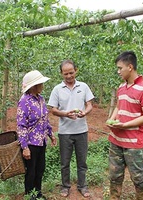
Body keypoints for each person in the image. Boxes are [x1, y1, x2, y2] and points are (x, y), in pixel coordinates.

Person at [106, 51, 143, 200]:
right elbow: (118, 107)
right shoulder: (121, 87)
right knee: (114, 176)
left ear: (130, 67)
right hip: (116, 140)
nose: (118, 71)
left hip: (134, 143)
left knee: (138, 178)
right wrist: (111, 119)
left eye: (120, 68)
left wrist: (125, 125)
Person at [47, 60, 94, 198]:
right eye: (65, 73)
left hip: (81, 130)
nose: (69, 76)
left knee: (82, 161)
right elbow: (53, 110)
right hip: (65, 132)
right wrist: (65, 114)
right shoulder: (57, 89)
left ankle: (82, 186)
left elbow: (89, 104)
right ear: (61, 73)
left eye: (71, 73)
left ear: (76, 71)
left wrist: (85, 112)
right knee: (64, 162)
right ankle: (65, 186)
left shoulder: (83, 86)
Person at [17, 70, 57, 200]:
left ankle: (38, 193)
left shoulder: (41, 99)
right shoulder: (24, 101)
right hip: (30, 143)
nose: (42, 86)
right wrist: (25, 147)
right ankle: (30, 195)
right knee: (31, 171)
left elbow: (45, 119)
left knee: (40, 169)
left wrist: (51, 134)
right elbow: (21, 125)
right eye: (40, 83)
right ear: (34, 86)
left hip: (41, 141)